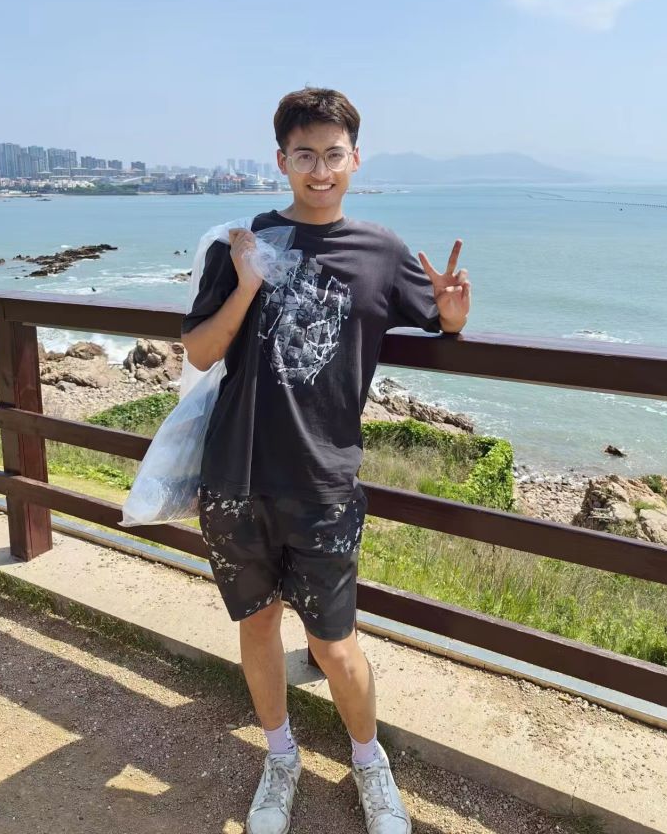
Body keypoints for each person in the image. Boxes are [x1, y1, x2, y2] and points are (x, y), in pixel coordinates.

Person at [182, 87, 470, 834]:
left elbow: (436, 315)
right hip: (235, 476)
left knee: (334, 643)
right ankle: (280, 758)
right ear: (281, 160)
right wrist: (247, 284)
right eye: (304, 155)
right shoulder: (240, 243)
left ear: (355, 160)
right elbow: (201, 350)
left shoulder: (381, 252)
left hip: (323, 480)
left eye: (333, 155)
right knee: (257, 627)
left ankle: (370, 762)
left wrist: (451, 317)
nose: (319, 170)